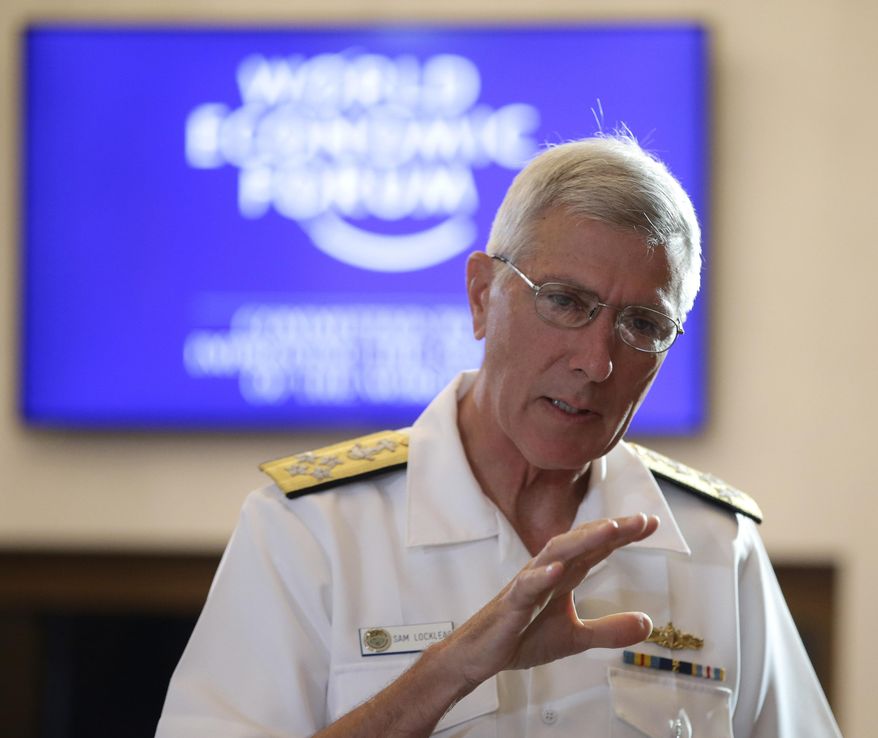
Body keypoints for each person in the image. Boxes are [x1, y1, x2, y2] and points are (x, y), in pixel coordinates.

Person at [156, 135, 841, 737]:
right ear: (482, 295)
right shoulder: (312, 529)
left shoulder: (717, 544)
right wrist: (450, 672)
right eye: (566, 302)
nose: (597, 362)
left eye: (642, 326)